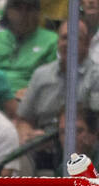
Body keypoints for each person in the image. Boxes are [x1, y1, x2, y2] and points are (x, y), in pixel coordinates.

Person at [16, 20, 99, 169]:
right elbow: (23, 119)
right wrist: (27, 134)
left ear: (87, 44)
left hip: (83, 148)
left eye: (76, 38)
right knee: (17, 155)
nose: (68, 43)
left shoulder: (96, 76)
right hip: (41, 148)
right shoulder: (41, 74)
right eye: (64, 38)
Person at [0, 0, 57, 96]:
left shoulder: (52, 41)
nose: (23, 14)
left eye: (29, 9)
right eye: (18, 8)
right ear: (8, 12)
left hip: (32, 97)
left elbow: (54, 78)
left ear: (38, 13)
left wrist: (32, 91)